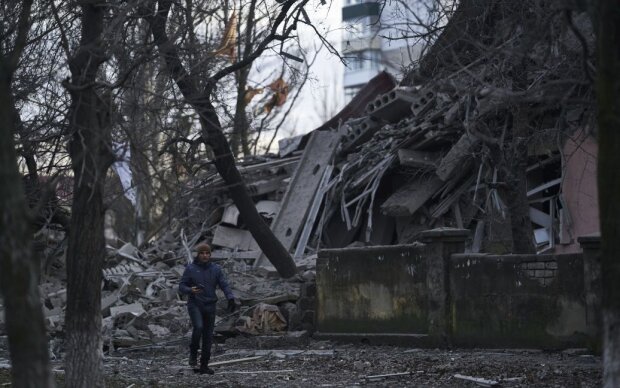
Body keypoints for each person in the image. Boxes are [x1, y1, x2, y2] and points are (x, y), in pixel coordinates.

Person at [179, 243, 237, 374]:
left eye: (207, 253)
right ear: (198, 255)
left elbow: (224, 284)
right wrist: (190, 289)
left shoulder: (216, 269)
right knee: (198, 327)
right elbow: (181, 286)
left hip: (210, 305)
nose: (205, 255)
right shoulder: (191, 268)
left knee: (208, 337)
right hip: (195, 304)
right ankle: (193, 353)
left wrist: (230, 297)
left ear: (210, 255)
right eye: (202, 253)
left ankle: (204, 365)